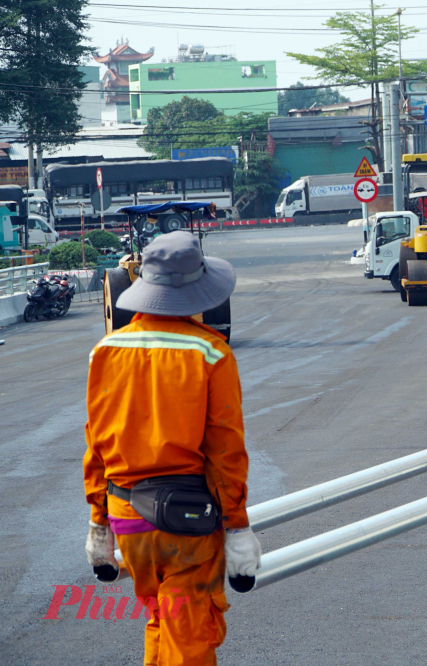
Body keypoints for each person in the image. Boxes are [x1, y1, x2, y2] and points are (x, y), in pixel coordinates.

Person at [83, 232, 260, 664]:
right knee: (192, 633)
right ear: (198, 291)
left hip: (128, 517)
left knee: (162, 617)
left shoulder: (106, 350)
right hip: (187, 520)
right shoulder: (211, 353)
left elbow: (96, 444)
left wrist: (98, 524)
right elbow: (225, 449)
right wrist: (237, 528)